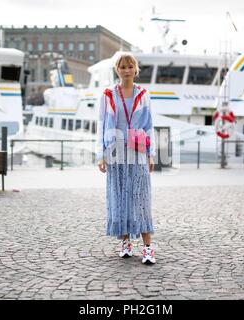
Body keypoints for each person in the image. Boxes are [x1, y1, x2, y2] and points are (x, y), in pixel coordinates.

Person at [96, 52, 157, 264]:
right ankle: (125, 243)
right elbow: (101, 125)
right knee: (119, 196)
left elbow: (149, 126)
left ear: (136, 69)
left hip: (138, 150)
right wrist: (101, 154)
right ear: (117, 69)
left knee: (141, 198)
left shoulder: (144, 94)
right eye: (122, 67)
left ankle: (148, 248)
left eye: (130, 66)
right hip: (115, 151)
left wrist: (151, 155)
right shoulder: (107, 95)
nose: (127, 70)